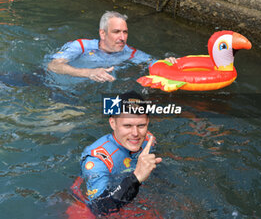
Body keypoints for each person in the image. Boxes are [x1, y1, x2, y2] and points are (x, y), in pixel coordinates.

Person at [79, 91, 162, 215]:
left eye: (141, 125)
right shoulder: (96, 160)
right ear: (113, 123)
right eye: (127, 126)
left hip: (131, 189)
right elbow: (100, 208)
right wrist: (136, 178)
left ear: (148, 122)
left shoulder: (149, 140)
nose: (135, 133)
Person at [47, 11, 176, 83]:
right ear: (102, 33)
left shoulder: (130, 53)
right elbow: (53, 66)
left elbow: (153, 63)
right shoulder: (81, 45)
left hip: (71, 92)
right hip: (44, 80)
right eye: (116, 32)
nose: (122, 37)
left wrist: (167, 63)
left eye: (125, 32)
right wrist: (89, 73)